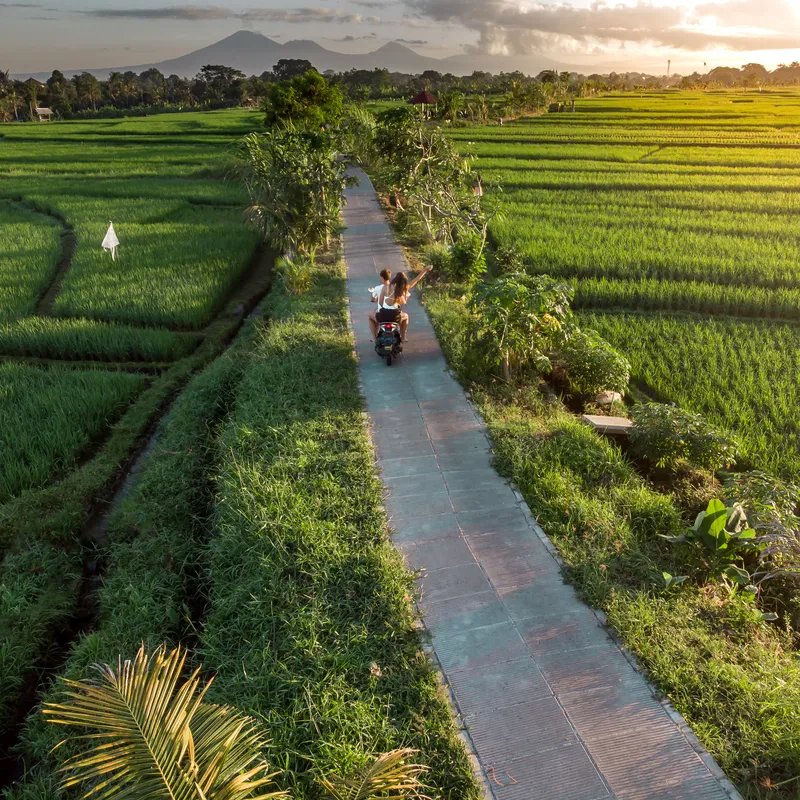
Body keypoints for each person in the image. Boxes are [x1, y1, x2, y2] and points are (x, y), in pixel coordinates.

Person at [375, 267, 432, 342]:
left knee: (375, 316)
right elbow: (416, 279)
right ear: (404, 282)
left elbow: (380, 302)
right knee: (406, 317)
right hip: (395, 316)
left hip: (383, 315)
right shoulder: (404, 288)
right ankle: (403, 337)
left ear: (395, 279)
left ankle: (375, 336)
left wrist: (384, 308)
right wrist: (425, 270)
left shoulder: (386, 287)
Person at [368, 269, 392, 337]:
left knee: (370, 316)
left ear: (382, 277)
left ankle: (374, 337)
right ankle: (403, 336)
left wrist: (373, 292)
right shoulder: (394, 287)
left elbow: (373, 300)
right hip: (394, 314)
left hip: (382, 314)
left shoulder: (378, 288)